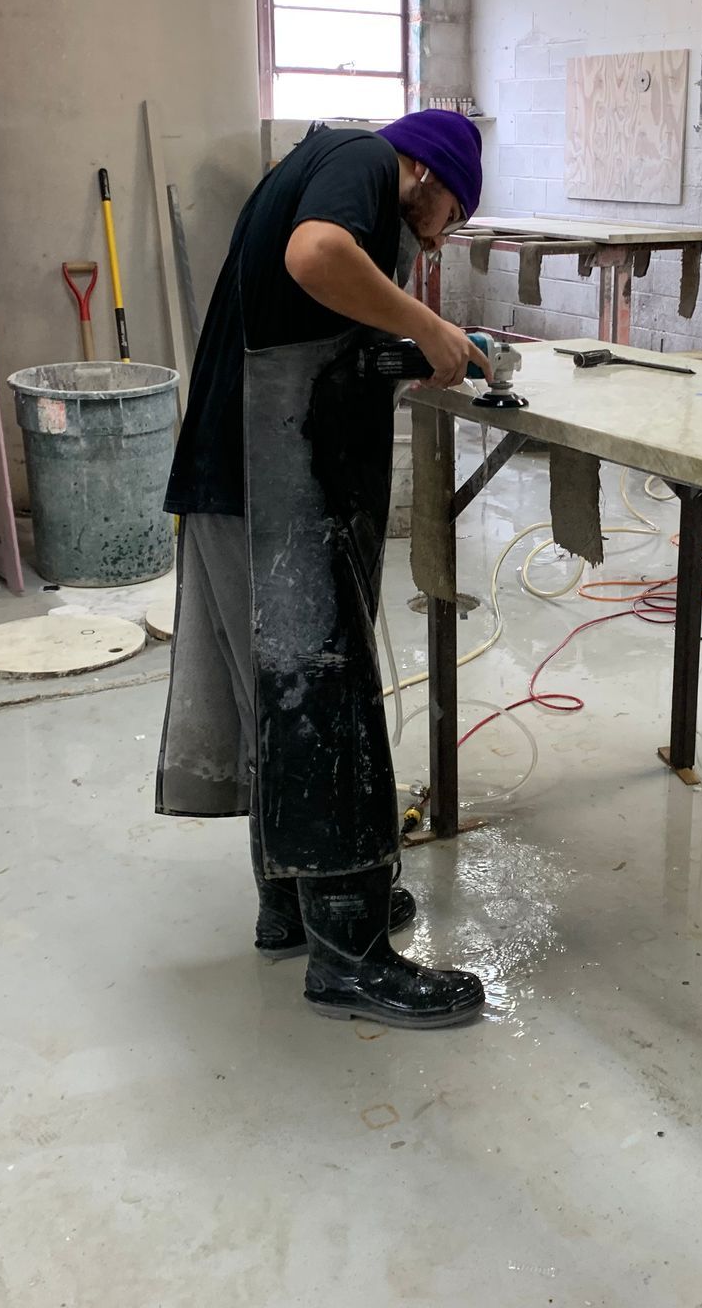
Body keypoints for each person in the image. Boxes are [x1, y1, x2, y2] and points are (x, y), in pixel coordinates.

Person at [155, 110, 490, 1030]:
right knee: (323, 699)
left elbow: (309, 309)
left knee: (286, 697)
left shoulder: (317, 162)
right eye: (447, 216)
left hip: (251, 472)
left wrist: (410, 338)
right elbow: (315, 256)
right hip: (275, 482)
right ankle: (348, 957)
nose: (437, 236)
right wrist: (425, 326)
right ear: (429, 170)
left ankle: (293, 905)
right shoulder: (364, 157)